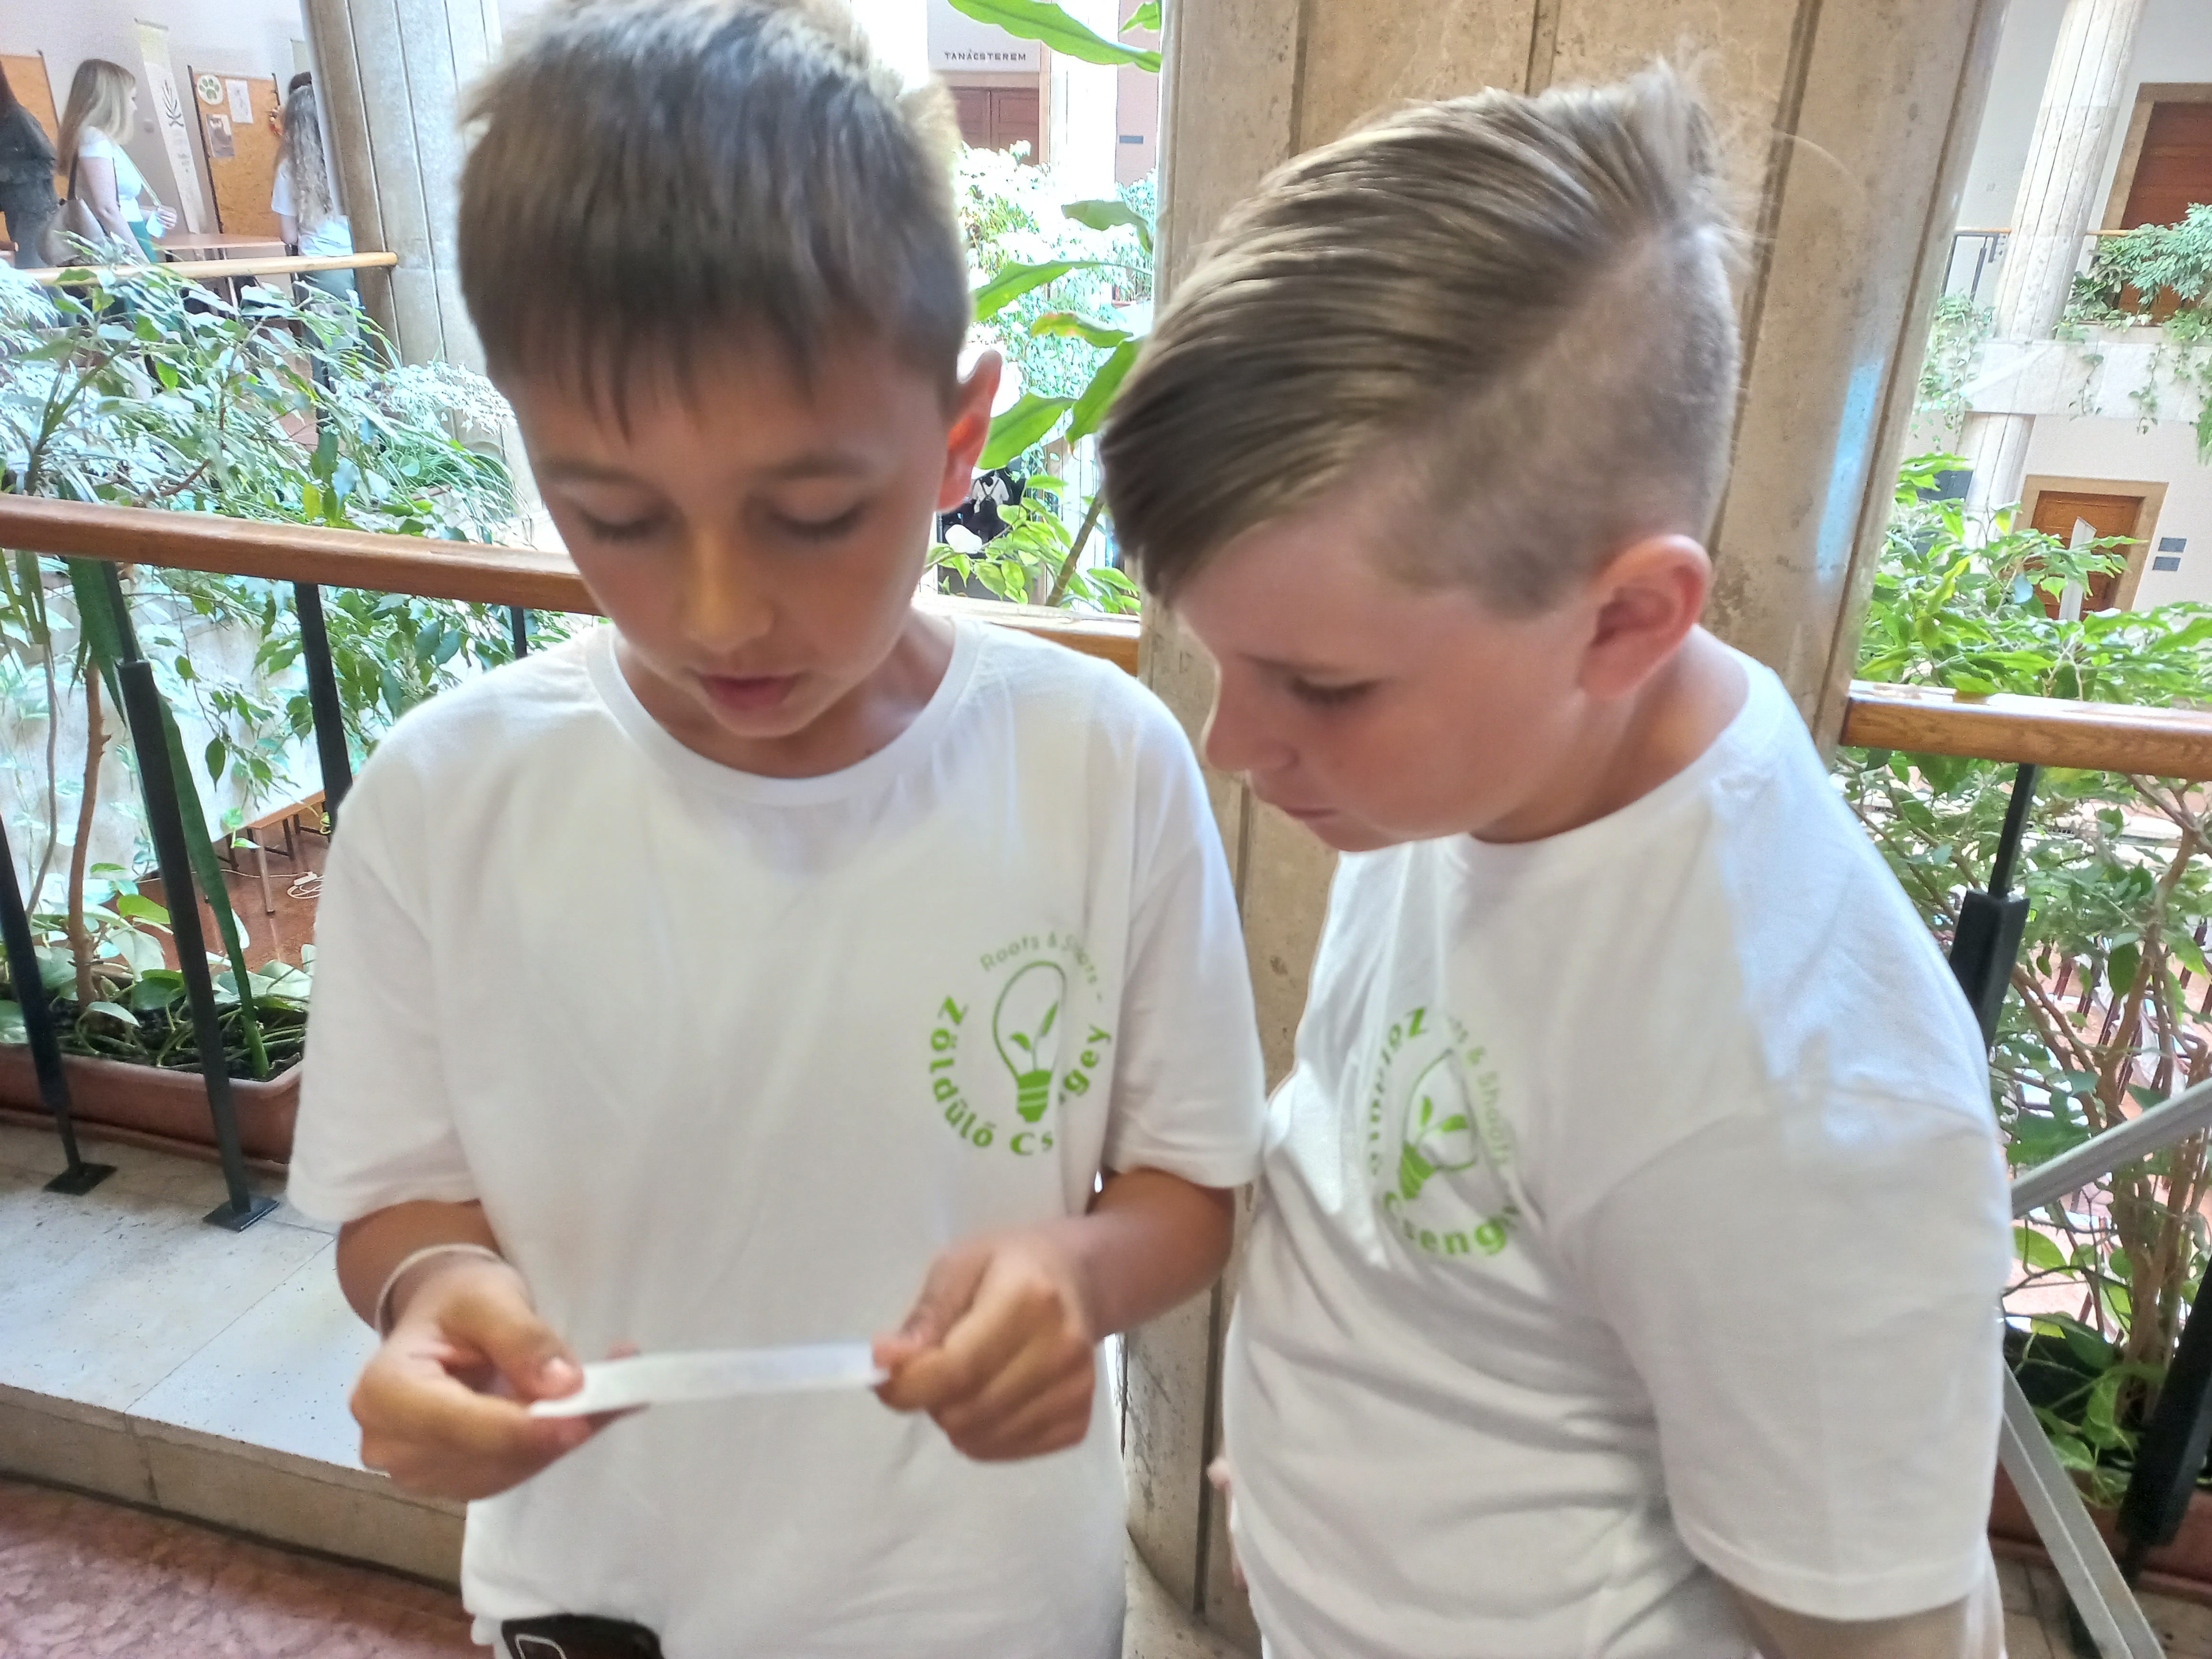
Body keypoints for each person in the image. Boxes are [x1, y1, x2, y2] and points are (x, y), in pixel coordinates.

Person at [283, 2, 1266, 1657]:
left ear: (957, 437)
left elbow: (1187, 1176)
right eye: (614, 515)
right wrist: (435, 1296)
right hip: (606, 1588)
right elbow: (398, 1200)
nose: (720, 611)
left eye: (812, 514)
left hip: (985, 1601)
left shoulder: (1097, 761)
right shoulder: (448, 795)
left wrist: (1079, 1273)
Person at [1099, 63, 2013, 1659]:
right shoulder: (1476, 773)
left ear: (1626, 619)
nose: (1234, 743)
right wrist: (1316, 1477)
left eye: (1319, 683)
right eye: (1222, 657)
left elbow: (1882, 1634)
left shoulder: (1790, 1098)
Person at [56, 59, 176, 262]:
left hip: (128, 234)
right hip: (121, 244)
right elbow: (106, 210)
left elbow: (118, 206)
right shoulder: (94, 138)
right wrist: (142, 262)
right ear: (113, 100)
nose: (134, 107)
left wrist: (153, 215)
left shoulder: (101, 139)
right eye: (131, 98)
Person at [270, 72, 355, 303]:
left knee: (332, 327)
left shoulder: (289, 169)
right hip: (362, 259)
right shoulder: (351, 161)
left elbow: (288, 235)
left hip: (321, 265)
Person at [0, 64, 58, 267]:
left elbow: (51, 161)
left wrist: (6, 174)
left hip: (37, 211)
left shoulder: (17, 116)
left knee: (34, 269)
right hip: (14, 210)